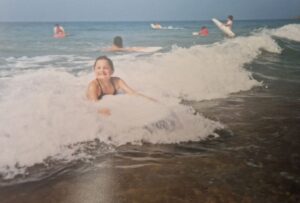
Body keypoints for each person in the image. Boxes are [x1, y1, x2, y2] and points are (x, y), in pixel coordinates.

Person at [86, 56, 155, 116]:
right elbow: (94, 105)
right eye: (98, 68)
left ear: (112, 71)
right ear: (94, 70)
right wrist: (103, 111)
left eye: (105, 68)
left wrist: (148, 99)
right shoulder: (93, 86)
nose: (101, 70)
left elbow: (132, 93)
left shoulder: (117, 81)